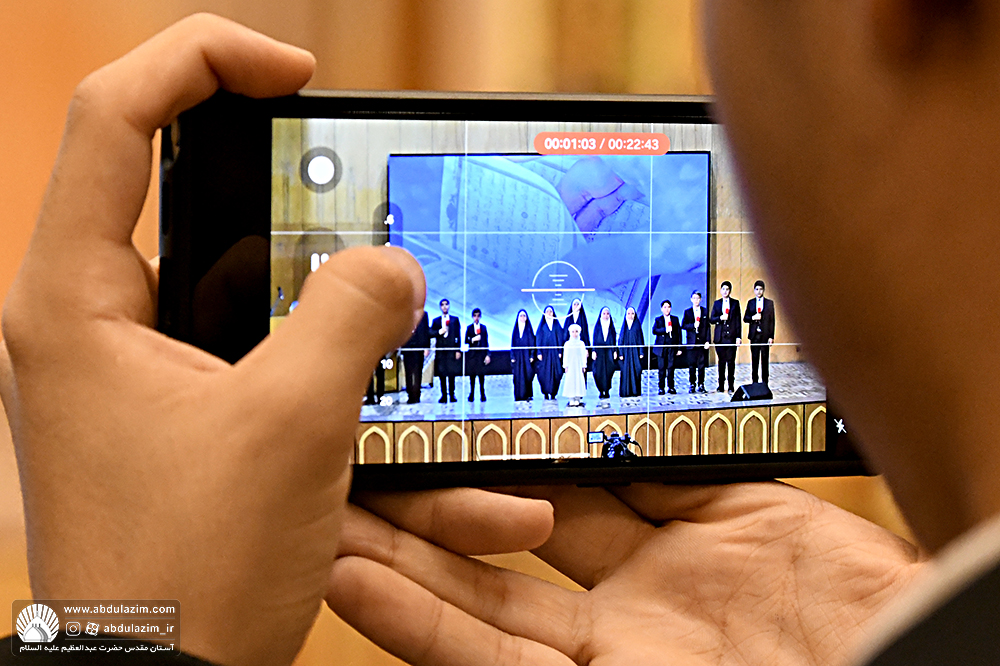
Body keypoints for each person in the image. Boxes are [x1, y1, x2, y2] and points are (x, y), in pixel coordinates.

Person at [710, 280, 742, 393]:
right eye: (723, 289)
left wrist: (738, 336)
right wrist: (720, 318)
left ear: (730, 291)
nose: (725, 291)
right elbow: (711, 319)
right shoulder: (717, 303)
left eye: (727, 289)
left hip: (731, 337)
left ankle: (731, 385)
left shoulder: (735, 303)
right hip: (720, 338)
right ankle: (720, 385)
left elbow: (738, 321)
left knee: (731, 362)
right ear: (720, 290)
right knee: (721, 361)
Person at [743, 280, 775, 386]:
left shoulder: (769, 303)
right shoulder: (751, 302)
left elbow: (772, 321)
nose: (759, 291)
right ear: (754, 290)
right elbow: (745, 318)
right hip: (754, 336)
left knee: (765, 359)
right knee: (755, 359)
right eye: (757, 289)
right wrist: (753, 317)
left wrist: (771, 336)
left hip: (765, 335)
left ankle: (765, 383)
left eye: (761, 289)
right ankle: (755, 383)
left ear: (764, 290)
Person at [431, 298, 461, 403]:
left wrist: (458, 350)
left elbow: (458, 335)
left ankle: (452, 394)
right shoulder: (436, 321)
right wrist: (439, 332)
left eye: (446, 304)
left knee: (451, 373)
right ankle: (443, 395)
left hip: (451, 350)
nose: (444, 306)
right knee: (442, 374)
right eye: (442, 305)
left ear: (449, 306)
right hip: (441, 351)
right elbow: (431, 333)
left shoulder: (454, 320)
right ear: (440, 307)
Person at [682, 290, 710, 393]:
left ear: (700, 299)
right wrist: (693, 326)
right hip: (691, 343)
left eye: (697, 298)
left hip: (701, 342)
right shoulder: (687, 312)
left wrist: (707, 341)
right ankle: (692, 384)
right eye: (694, 298)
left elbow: (707, 327)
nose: (696, 300)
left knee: (701, 365)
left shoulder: (705, 311)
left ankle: (701, 384)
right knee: (692, 365)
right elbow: (683, 325)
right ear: (691, 299)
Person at [652, 299, 682, 395]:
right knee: (661, 368)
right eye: (665, 307)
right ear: (661, 309)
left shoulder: (675, 319)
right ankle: (661, 387)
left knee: (671, 367)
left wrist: (679, 348)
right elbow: (654, 331)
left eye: (668, 307)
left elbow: (679, 334)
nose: (667, 309)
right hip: (661, 348)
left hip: (671, 347)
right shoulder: (658, 319)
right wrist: (665, 330)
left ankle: (671, 387)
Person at [534, 305, 563, 400]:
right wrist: (539, 352)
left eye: (551, 312)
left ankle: (553, 392)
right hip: (544, 354)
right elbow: (538, 340)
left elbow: (560, 339)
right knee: (543, 373)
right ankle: (545, 392)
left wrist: (560, 351)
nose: (549, 314)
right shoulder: (542, 327)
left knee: (557, 373)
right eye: (547, 312)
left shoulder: (556, 326)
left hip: (555, 354)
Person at [401, 310, 430, 404]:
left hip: (419, 347)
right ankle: (410, 395)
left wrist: (426, 347)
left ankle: (417, 394)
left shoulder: (424, 314)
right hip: (407, 347)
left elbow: (426, 331)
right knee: (408, 373)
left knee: (417, 373)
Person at [591, 306, 618, 404]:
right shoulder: (598, 326)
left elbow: (614, 340)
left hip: (609, 352)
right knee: (598, 372)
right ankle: (600, 390)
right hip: (599, 352)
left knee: (608, 372)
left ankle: (606, 390)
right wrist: (593, 351)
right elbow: (594, 339)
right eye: (604, 314)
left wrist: (614, 351)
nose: (606, 316)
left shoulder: (611, 327)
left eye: (607, 314)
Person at [617, 306, 644, 398]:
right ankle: (625, 392)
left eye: (632, 314)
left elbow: (640, 339)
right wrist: (620, 353)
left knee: (636, 370)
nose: (630, 315)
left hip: (635, 353)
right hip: (625, 353)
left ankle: (635, 391)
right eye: (628, 314)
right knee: (625, 372)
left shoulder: (637, 325)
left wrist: (641, 352)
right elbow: (620, 340)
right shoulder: (624, 326)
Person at [464, 308, 490, 402]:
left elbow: (486, 342)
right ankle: (471, 393)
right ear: (472, 317)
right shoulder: (469, 328)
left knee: (481, 375)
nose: (476, 318)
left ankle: (482, 393)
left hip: (481, 355)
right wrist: (473, 339)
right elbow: (466, 340)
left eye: (478, 316)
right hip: (472, 355)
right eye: (475, 316)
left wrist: (487, 355)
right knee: (472, 376)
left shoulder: (483, 328)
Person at [510, 309, 535, 402]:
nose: (522, 318)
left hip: (526, 356)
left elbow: (532, 343)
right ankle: (518, 395)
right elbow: (512, 344)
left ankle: (527, 395)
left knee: (527, 375)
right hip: (517, 357)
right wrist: (512, 356)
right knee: (517, 376)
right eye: (521, 316)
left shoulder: (529, 329)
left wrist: (532, 355)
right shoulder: (516, 330)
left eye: (524, 316)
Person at [561, 324, 587, 407]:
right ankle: (571, 399)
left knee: (578, 380)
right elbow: (565, 355)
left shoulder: (581, 343)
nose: (574, 334)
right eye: (573, 332)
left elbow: (583, 355)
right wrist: (565, 365)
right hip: (570, 365)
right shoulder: (567, 344)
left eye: (576, 332)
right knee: (570, 380)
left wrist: (584, 365)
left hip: (578, 365)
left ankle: (577, 398)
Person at [564, 298, 591, 383]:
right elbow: (565, 334)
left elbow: (586, 334)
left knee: (581, 370)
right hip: (570, 349)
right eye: (574, 304)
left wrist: (587, 348)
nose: (576, 306)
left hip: (580, 348)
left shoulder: (583, 318)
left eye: (578, 304)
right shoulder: (569, 318)